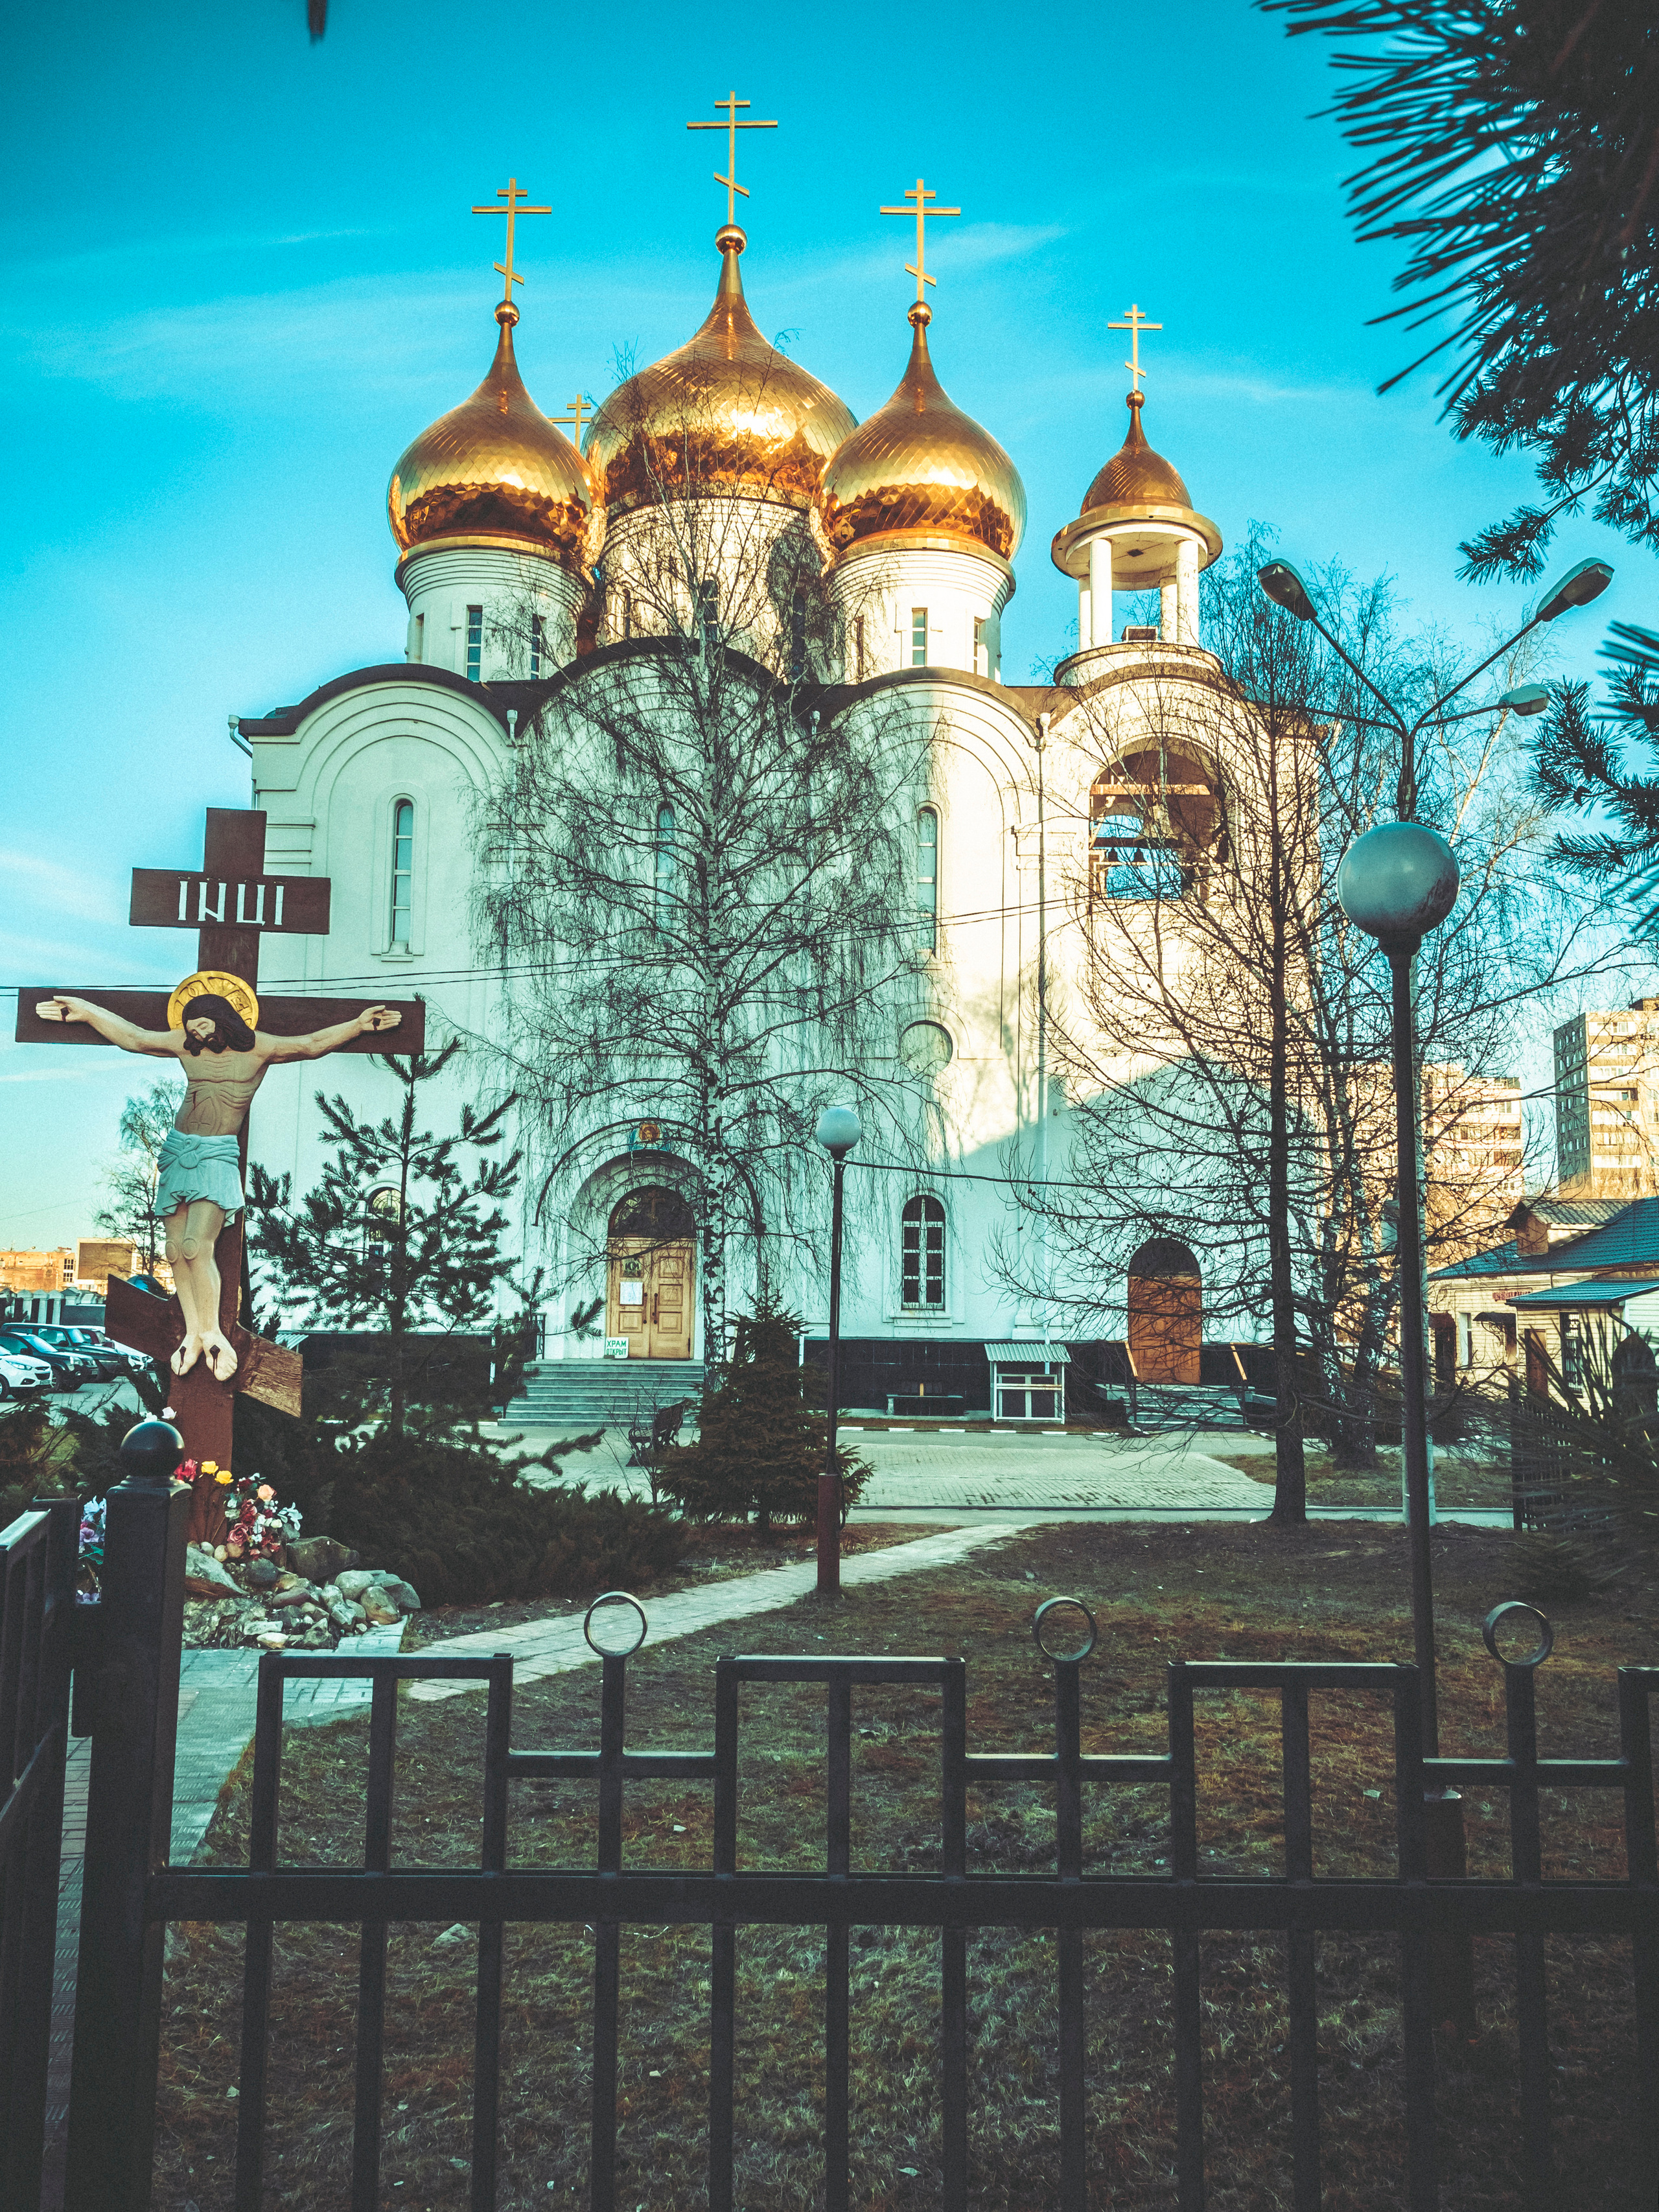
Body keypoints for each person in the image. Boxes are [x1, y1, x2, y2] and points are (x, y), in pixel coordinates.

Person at [36, 987, 400, 1382]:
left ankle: (212, 1333)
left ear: (224, 1020)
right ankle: (193, 1333)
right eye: (193, 1031)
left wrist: (359, 1026)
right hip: (178, 1150)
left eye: (206, 1028)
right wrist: (87, 1011)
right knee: (175, 1250)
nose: (201, 1038)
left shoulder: (259, 1048)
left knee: (197, 1245)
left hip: (216, 1154)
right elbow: (136, 1038)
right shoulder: (187, 1045)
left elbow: (311, 1044)